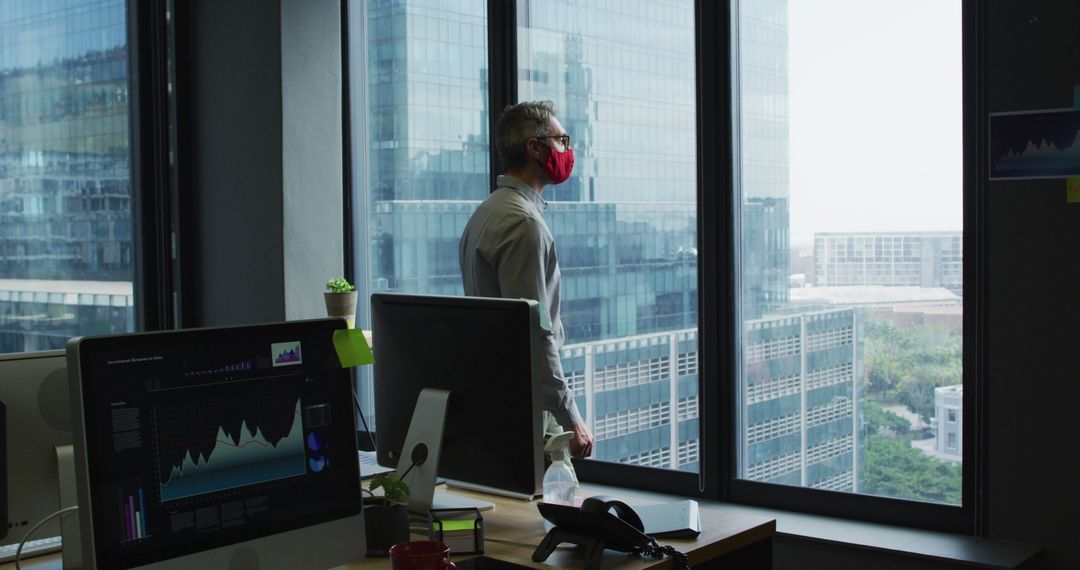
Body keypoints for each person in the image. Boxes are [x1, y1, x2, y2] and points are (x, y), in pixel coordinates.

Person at [459, 101, 595, 458]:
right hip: (530, 404)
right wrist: (570, 416)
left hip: (500, 397)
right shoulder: (523, 224)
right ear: (535, 147)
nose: (567, 151)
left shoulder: (487, 212)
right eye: (561, 140)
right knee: (549, 505)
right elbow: (535, 333)